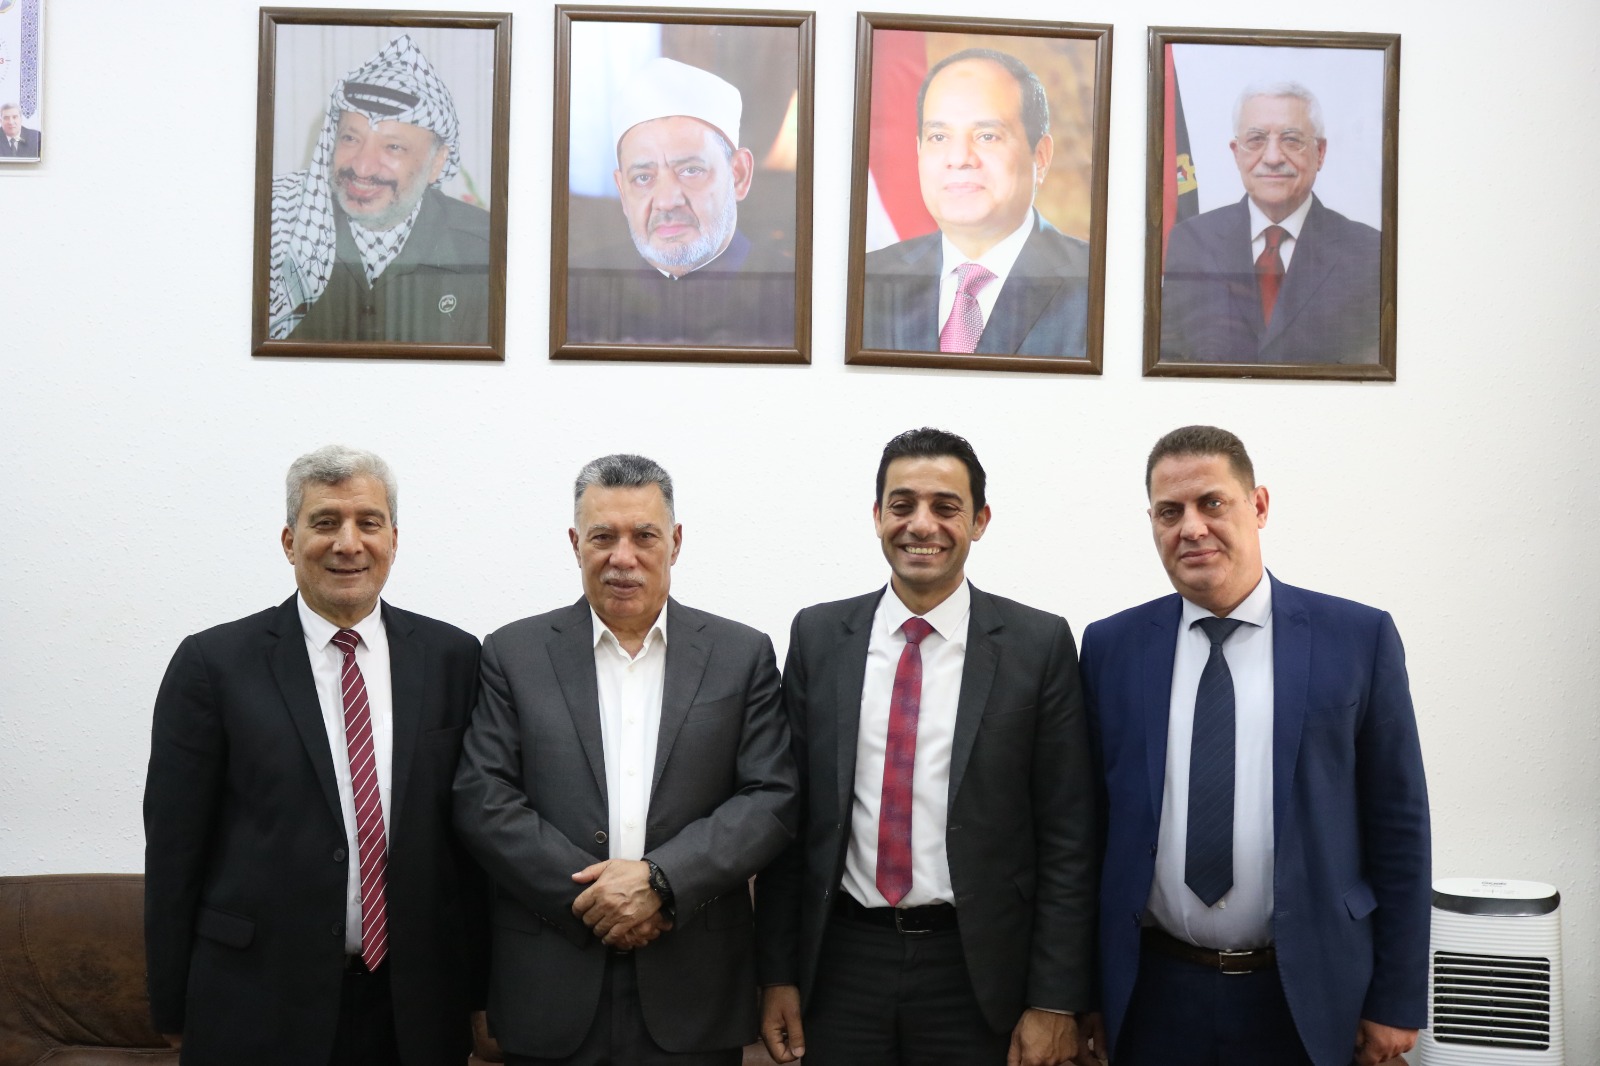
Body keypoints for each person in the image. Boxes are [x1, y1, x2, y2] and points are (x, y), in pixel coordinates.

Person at [1077, 425, 1430, 1066]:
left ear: (1258, 505)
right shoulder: (1111, 648)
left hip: (1307, 992)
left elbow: (1399, 826)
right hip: (1154, 992)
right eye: (1169, 512)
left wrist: (1398, 997)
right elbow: (1088, 828)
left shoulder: (1357, 638)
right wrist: (1082, 993)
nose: (1192, 528)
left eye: (1212, 502)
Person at [756, 428, 1096, 1066]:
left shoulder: (1038, 645)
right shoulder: (820, 636)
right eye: (902, 504)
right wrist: (776, 973)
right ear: (877, 515)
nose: (921, 525)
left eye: (946, 507)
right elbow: (788, 820)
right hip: (842, 963)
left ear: (980, 521)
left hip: (978, 969)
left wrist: (1055, 999)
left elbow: (1068, 837)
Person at [143, 445, 486, 1065]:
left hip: (415, 1008)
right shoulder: (212, 665)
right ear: (289, 540)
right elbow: (174, 849)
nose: (348, 543)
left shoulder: (455, 659)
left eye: (368, 522)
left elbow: (472, 845)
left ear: (394, 539)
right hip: (256, 1002)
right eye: (325, 522)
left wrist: (483, 993)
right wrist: (171, 1003)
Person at [452, 453, 797, 1064]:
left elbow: (770, 800)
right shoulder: (513, 653)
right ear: (575, 543)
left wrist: (663, 882)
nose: (623, 557)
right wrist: (600, 900)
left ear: (676, 542)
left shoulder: (741, 655)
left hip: (695, 985)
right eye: (602, 537)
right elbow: (484, 798)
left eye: (644, 536)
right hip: (550, 980)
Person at [861, 50, 1091, 358]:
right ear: (918, 150)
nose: (959, 158)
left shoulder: (1099, 284)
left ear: (1041, 156)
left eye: (987, 136)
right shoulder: (866, 281)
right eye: (938, 137)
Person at [267, 34, 491, 344]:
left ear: (436, 163)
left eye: (393, 146)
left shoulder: (485, 246)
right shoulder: (280, 225)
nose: (362, 167)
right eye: (350, 139)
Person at [565, 57, 796, 348]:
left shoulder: (796, 295)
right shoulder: (575, 292)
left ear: (738, 175)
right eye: (643, 177)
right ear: (622, 191)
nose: (666, 201)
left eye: (690, 171)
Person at [1160, 82, 1381, 364]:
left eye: (1291, 140)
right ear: (1236, 153)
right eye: (1256, 140)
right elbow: (1169, 360)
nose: (1273, 158)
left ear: (1320, 152)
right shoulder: (1191, 242)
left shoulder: (1368, 252)